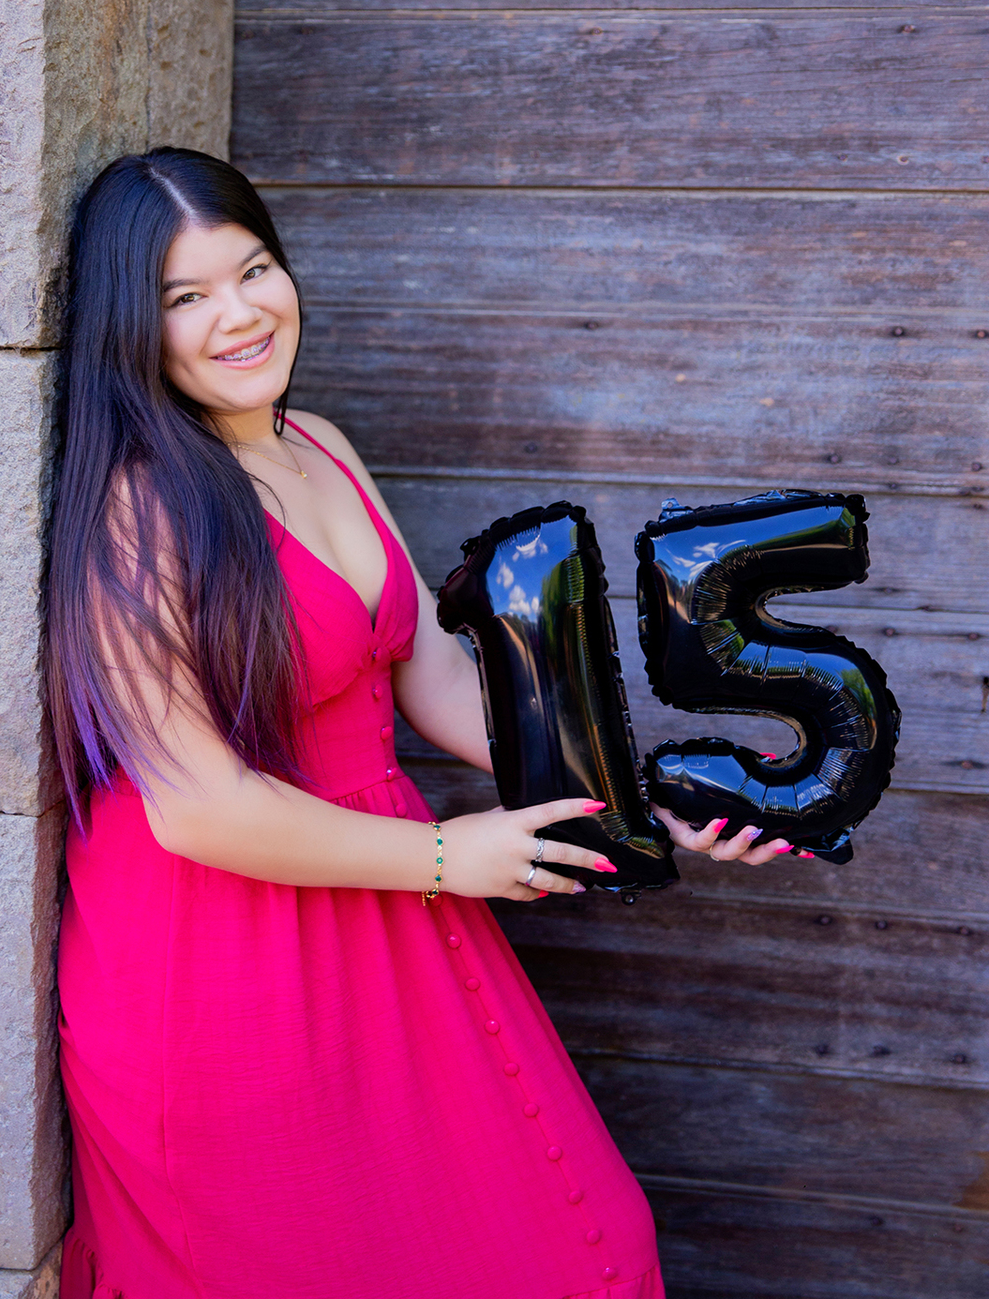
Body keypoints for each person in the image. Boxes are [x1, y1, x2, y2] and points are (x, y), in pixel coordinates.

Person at [47, 148, 795, 1299]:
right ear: (127, 329)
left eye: (253, 271)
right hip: (223, 961)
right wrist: (452, 856)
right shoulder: (138, 513)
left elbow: (431, 675)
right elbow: (197, 809)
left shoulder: (321, 445)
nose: (239, 315)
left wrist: (649, 789)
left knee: (578, 1243)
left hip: (387, 911)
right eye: (184, 297)